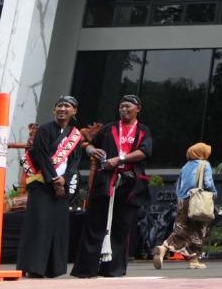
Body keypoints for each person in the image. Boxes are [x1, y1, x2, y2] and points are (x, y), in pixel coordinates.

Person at [73, 94, 154, 278]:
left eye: (128, 106)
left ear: (137, 109)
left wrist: (119, 159)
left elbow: (145, 152)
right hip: (105, 182)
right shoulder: (109, 128)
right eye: (121, 107)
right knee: (95, 223)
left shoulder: (143, 130)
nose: (124, 110)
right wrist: (91, 150)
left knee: (121, 225)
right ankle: (86, 269)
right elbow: (86, 144)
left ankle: (113, 269)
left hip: (129, 184)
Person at [17, 95, 89, 278]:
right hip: (42, 184)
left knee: (57, 226)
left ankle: (52, 268)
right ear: (54, 109)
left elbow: (74, 162)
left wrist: (64, 179)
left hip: (61, 186)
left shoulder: (75, 135)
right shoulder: (44, 130)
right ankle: (34, 267)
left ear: (74, 111)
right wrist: (54, 179)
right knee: (39, 225)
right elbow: (41, 156)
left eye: (67, 106)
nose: (62, 109)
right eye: (59, 105)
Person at [153, 142, 217, 271]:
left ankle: (187, 257)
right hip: (197, 201)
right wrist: (214, 194)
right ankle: (168, 248)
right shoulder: (205, 164)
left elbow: (179, 185)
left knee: (182, 227)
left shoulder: (185, 166)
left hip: (183, 201)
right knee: (198, 230)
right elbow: (208, 182)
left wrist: (180, 199)